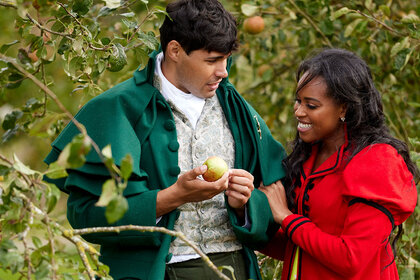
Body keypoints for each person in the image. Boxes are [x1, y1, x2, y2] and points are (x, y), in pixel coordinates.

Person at [44, 0, 286, 279]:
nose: (224, 71)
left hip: (235, 270)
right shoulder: (116, 109)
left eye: (226, 58)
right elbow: (86, 217)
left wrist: (245, 204)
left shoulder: (238, 109)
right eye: (211, 60)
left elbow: (276, 200)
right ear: (174, 50)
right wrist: (172, 197)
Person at [259, 48, 418, 280]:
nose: (298, 112)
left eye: (311, 105)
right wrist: (247, 211)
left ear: (344, 107)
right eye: (298, 101)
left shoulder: (377, 162)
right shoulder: (310, 154)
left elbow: (352, 259)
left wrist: (286, 217)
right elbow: (299, 246)